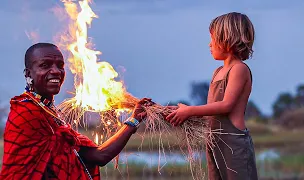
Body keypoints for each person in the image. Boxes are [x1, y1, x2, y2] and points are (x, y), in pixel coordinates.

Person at [0, 43, 152, 180]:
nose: (56, 71)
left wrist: (134, 119)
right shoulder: (27, 112)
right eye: (45, 65)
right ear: (28, 74)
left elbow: (99, 156)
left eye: (60, 65)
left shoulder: (52, 114)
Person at [166, 12, 258, 180]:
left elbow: (226, 105)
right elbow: (210, 111)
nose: (209, 45)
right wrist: (183, 112)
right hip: (214, 141)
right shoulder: (217, 72)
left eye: (213, 39)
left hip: (233, 143)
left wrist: (190, 110)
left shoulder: (239, 69)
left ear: (227, 39)